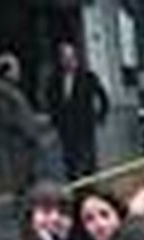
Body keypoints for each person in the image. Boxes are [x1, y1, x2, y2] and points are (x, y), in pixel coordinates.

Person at [44, 40, 110, 180]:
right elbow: (50, 100)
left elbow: (103, 97)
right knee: (70, 163)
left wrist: (100, 117)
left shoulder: (87, 77)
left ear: (75, 58)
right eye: (64, 58)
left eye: (70, 57)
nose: (67, 61)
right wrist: (55, 118)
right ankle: (76, 190)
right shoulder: (55, 80)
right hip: (66, 128)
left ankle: (90, 189)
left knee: (87, 161)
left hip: (84, 126)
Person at [0, 52, 43, 194]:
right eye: (15, 68)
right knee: (21, 182)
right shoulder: (1, 91)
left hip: (24, 144)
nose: (19, 72)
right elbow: (8, 119)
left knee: (30, 178)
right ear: (6, 71)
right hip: (17, 146)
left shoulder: (11, 89)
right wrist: (26, 130)